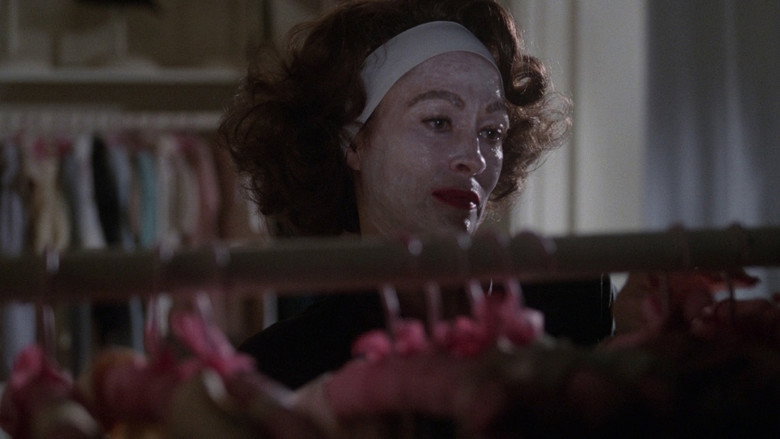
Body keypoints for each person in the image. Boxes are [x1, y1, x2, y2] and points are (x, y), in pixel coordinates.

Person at [219, 0, 612, 389]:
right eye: (438, 121)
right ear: (352, 142)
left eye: (491, 132)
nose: (474, 159)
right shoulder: (284, 366)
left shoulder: (572, 304)